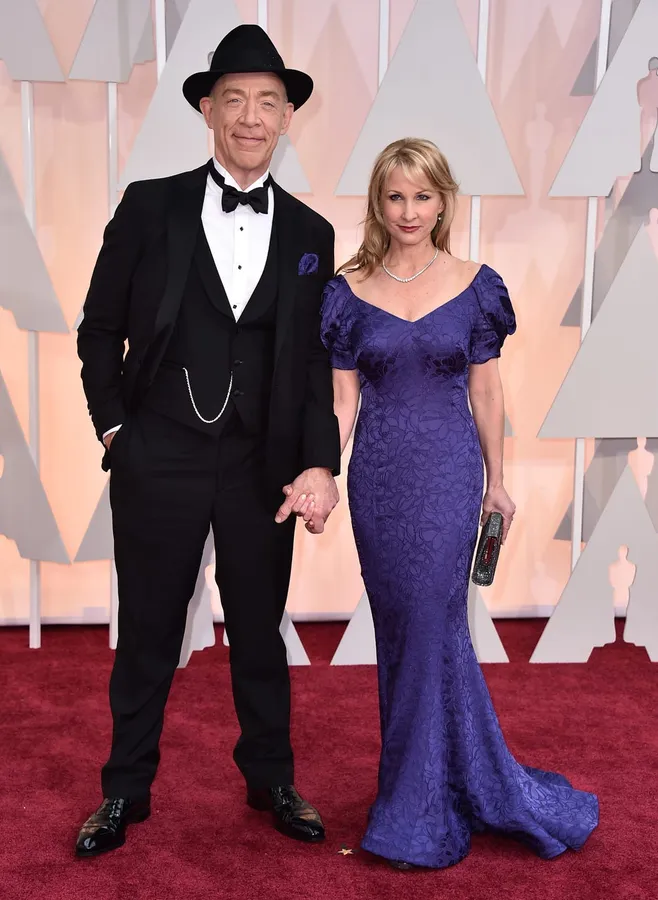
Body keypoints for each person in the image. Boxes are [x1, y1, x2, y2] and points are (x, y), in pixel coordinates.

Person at [75, 24, 340, 857]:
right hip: (159, 453)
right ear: (208, 110)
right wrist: (117, 431)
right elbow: (99, 330)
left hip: (262, 463)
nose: (251, 117)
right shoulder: (149, 206)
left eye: (268, 102)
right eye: (235, 101)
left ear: (287, 116)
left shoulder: (311, 233)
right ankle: (124, 790)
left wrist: (318, 461)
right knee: (149, 630)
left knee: (260, 630)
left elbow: (312, 362)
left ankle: (271, 779)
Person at [321, 138, 599, 870]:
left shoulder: (477, 285)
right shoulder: (347, 293)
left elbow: (487, 390)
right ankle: (442, 786)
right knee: (408, 633)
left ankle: (415, 812)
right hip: (379, 481)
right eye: (395, 196)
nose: (409, 210)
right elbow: (343, 403)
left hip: (448, 475)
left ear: (444, 201)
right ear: (378, 204)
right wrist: (322, 471)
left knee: (430, 620)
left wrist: (497, 480)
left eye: (423, 196)